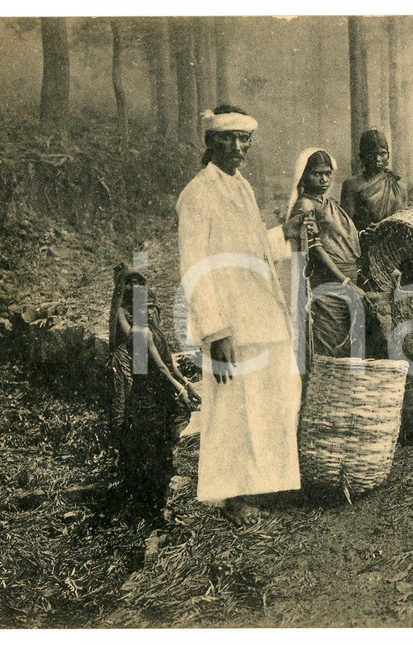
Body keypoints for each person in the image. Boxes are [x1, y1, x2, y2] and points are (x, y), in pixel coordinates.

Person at [177, 105, 301, 525]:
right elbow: (195, 267)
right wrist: (216, 331)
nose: (237, 146)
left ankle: (264, 484)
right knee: (232, 407)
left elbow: (248, 247)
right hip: (230, 318)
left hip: (260, 310)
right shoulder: (197, 194)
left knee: (270, 397)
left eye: (243, 139)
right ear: (210, 142)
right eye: (228, 138)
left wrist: (284, 235)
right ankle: (231, 495)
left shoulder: (241, 186)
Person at [109, 265, 200, 520]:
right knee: (147, 446)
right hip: (145, 397)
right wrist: (180, 388)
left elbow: (169, 363)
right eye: (142, 308)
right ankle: (148, 504)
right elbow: (160, 367)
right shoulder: (139, 333)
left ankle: (157, 499)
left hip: (157, 395)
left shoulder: (154, 331)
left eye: (151, 308)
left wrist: (186, 383)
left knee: (160, 444)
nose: (148, 312)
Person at [284, 148, 366, 358]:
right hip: (329, 286)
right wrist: (346, 282)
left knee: (346, 351)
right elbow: (316, 249)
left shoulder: (327, 203)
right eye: (317, 174)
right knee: (328, 349)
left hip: (346, 282)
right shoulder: (305, 205)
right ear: (304, 176)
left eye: (328, 174)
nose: (324, 179)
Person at [340, 128, 408, 236]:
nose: (378, 159)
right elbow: (345, 227)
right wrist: (362, 234)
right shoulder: (351, 185)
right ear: (362, 157)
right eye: (371, 154)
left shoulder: (399, 187)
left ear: (388, 155)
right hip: (365, 242)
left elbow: (406, 224)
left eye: (382, 153)